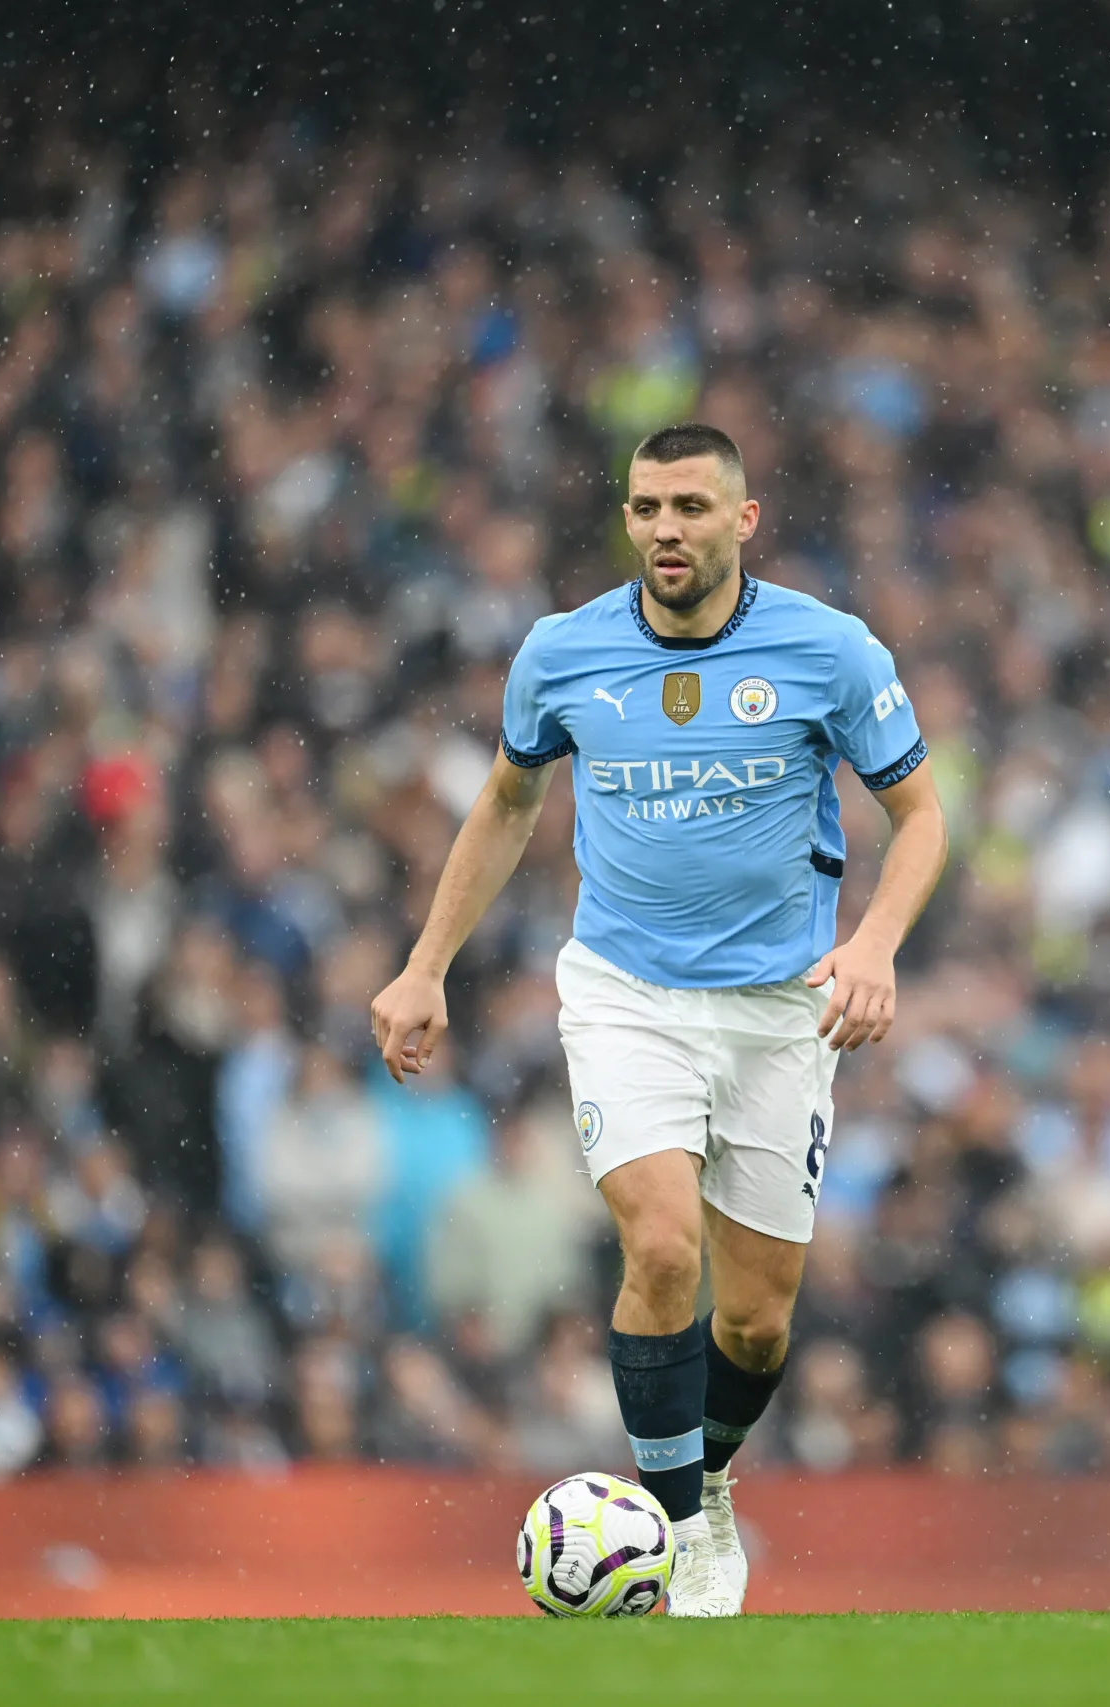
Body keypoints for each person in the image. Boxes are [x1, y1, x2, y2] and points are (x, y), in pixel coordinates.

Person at [371, 423, 947, 1616]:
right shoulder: (561, 652)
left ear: (743, 518)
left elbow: (922, 817)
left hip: (781, 1011)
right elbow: (507, 804)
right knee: (664, 1248)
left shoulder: (828, 651)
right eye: (645, 508)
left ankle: (711, 1480)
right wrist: (426, 966)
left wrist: (876, 944)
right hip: (625, 997)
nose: (665, 529)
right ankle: (678, 1532)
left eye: (690, 506)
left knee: (758, 1320)